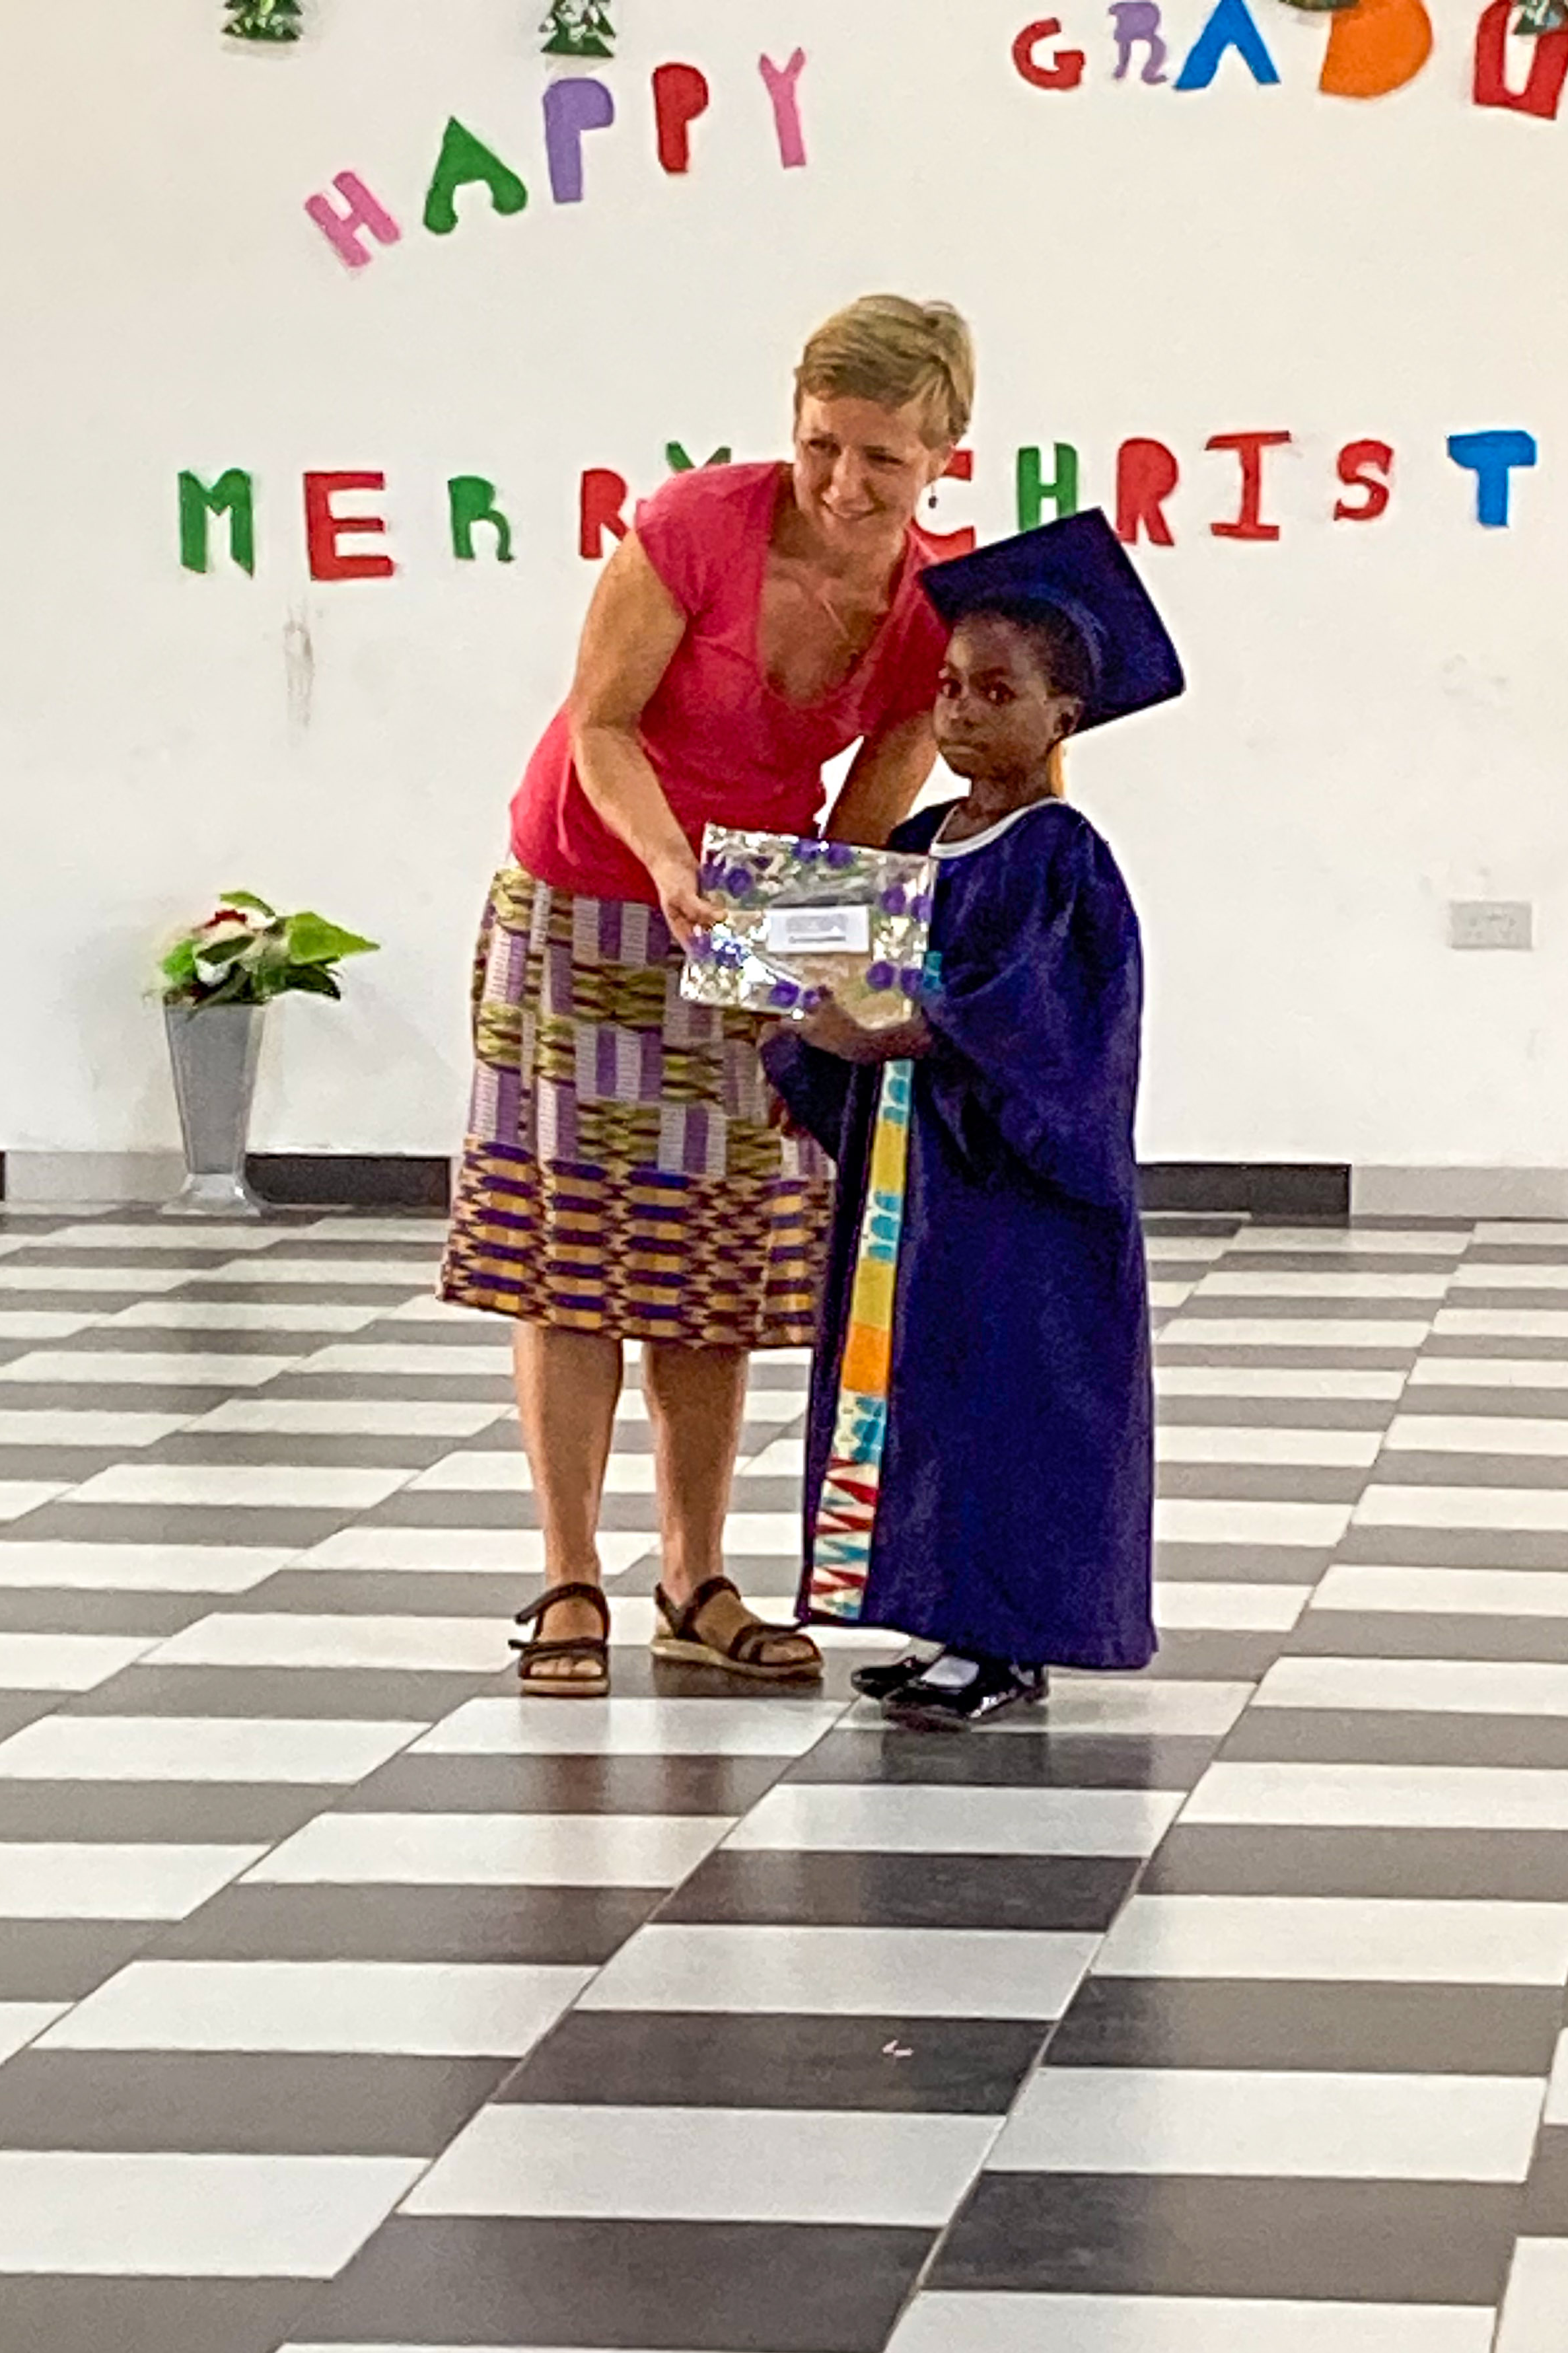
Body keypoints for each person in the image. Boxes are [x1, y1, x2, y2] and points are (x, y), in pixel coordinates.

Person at [438, 297, 975, 1696]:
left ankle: (694, 1577)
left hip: (746, 911)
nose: (843, 483)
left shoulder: (930, 607)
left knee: (714, 1257)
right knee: (568, 1249)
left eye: (883, 459)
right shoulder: (695, 526)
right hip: (587, 884)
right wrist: (667, 861)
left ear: (943, 456)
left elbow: (875, 797)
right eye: (821, 444)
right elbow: (602, 722)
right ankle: (570, 1576)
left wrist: (815, 942)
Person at [763, 511, 1184, 1729]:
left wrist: (908, 1025)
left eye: (997, 692)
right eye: (949, 686)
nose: (960, 712)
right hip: (911, 1185)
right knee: (919, 1389)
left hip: (1012, 1198)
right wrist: (793, 1031)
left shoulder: (1061, 858)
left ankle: (1008, 1637)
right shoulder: (913, 845)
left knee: (1009, 1399)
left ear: (1062, 715)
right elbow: (842, 985)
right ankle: (940, 1619)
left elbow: (1049, 1019)